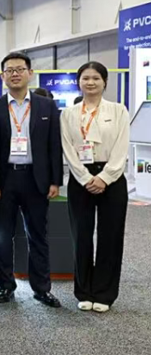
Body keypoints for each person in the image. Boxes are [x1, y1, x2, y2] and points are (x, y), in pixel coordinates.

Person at [0, 52, 63, 308]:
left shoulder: (46, 106)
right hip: (4, 179)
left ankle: (42, 288)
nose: (15, 74)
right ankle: (6, 286)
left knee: (38, 235)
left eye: (20, 69)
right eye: (10, 70)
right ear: (2, 76)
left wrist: (55, 181)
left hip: (35, 179)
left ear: (30, 73)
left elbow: (54, 145)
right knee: (3, 236)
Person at [61, 62, 130, 313]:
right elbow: (67, 148)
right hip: (81, 178)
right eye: (85, 78)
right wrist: (84, 177)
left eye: (96, 78)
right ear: (78, 82)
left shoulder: (118, 110)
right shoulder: (68, 114)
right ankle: (84, 291)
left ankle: (104, 293)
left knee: (110, 236)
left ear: (104, 82)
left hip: (112, 178)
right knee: (81, 236)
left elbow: (122, 146)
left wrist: (105, 177)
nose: (90, 83)